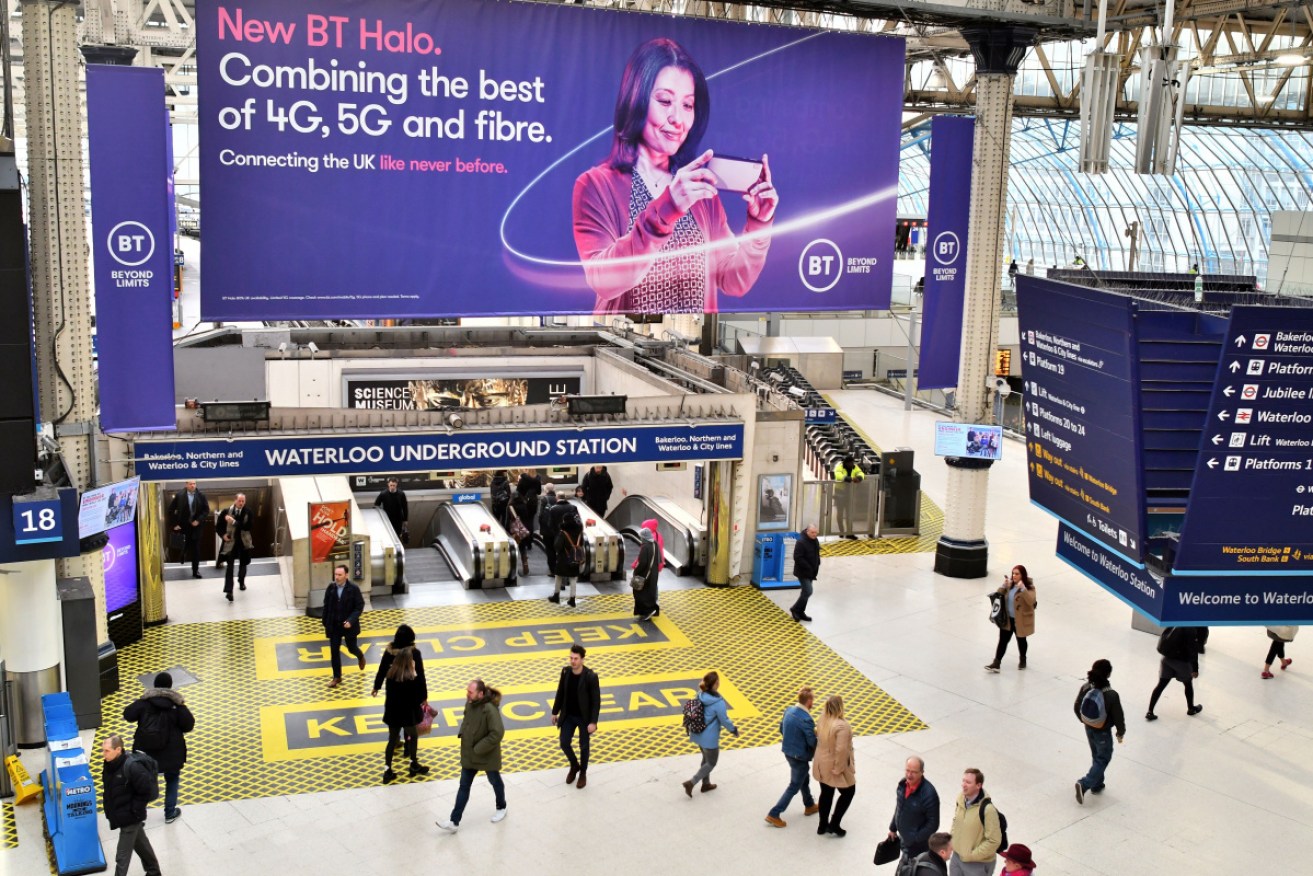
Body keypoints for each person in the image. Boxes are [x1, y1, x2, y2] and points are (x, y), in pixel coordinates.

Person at [572, 37, 778, 315]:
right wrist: (667, 209)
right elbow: (604, 281)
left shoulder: (698, 189)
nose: (677, 119)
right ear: (636, 100)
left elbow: (733, 280)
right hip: (622, 344)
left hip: (693, 342)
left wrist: (759, 224)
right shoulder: (596, 185)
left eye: (688, 105)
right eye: (665, 101)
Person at [122, 672, 194, 825]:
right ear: (170, 686)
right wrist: (180, 705)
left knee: (142, 782)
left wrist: (141, 701)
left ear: (154, 685)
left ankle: (138, 815)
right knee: (172, 780)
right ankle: (169, 813)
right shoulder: (177, 706)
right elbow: (189, 725)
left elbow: (128, 714)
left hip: (145, 753)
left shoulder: (145, 703)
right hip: (172, 754)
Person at [436, 678, 507, 831]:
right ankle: (454, 821)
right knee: (464, 786)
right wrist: (463, 732)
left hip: (486, 755)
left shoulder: (489, 709)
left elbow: (498, 733)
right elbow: (466, 720)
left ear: (480, 694)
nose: (467, 694)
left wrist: (479, 748)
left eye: (470, 692)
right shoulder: (470, 704)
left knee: (494, 780)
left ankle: (502, 807)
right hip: (470, 755)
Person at [371, 624, 429, 782]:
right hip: (409, 702)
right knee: (413, 734)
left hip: (393, 703)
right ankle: (413, 764)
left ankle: (387, 770)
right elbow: (421, 677)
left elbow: (382, 670)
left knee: (392, 738)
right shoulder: (414, 654)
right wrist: (423, 696)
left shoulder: (389, 652)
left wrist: (376, 687)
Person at [101, 734, 162, 876]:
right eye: (103, 750)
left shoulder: (132, 767)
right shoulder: (110, 765)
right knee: (141, 844)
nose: (103, 754)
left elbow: (145, 790)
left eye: (107, 750)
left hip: (130, 817)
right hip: (122, 814)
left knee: (122, 856)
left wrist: (134, 810)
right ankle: (154, 871)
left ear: (118, 750)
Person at [764, 687, 818, 828]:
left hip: (788, 752)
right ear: (809, 701)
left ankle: (809, 804)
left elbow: (781, 729)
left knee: (803, 779)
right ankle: (774, 813)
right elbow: (812, 742)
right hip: (800, 756)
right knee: (794, 785)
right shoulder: (806, 720)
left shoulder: (788, 710)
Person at [1073, 658, 1124, 804]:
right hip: (1103, 731)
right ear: (1108, 674)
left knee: (1096, 755)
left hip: (1089, 728)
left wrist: (1085, 722)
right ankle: (1085, 784)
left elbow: (1076, 706)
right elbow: (1118, 716)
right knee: (1103, 758)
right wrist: (1121, 731)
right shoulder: (1111, 694)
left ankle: (1097, 784)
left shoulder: (1085, 687)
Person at [551, 644, 600, 789]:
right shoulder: (565, 672)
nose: (573, 661)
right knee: (564, 742)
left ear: (582, 659)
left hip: (584, 718)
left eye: (576, 659)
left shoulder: (590, 677)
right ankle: (574, 765)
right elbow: (560, 692)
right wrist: (555, 712)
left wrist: (593, 722)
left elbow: (596, 701)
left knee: (584, 746)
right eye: (571, 658)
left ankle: (583, 773)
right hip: (568, 715)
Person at [682, 670, 738, 797]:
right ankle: (691, 783)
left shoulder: (700, 694)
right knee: (711, 762)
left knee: (705, 759)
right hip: (709, 738)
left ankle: (706, 784)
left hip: (698, 733)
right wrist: (733, 729)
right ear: (716, 683)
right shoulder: (718, 703)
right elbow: (724, 720)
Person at [812, 694, 855, 837]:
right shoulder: (842, 726)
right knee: (849, 792)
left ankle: (822, 825)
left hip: (821, 762)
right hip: (833, 766)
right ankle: (834, 824)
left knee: (826, 792)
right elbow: (841, 750)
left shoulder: (822, 719)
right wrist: (838, 768)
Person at [888, 755, 941, 865]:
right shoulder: (903, 785)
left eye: (913, 772)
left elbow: (933, 824)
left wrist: (915, 838)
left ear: (922, 772)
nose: (909, 775)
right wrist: (893, 828)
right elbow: (899, 807)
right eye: (907, 770)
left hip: (918, 848)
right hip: (905, 841)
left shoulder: (929, 794)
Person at [948, 768, 1001, 876]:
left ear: (978, 785)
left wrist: (971, 855)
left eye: (968, 782)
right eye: (963, 781)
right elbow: (956, 820)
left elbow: (994, 841)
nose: (963, 785)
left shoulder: (988, 810)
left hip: (977, 864)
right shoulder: (960, 798)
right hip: (957, 858)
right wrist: (953, 840)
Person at [985, 565, 1037, 672]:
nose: (1014, 576)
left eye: (1017, 574)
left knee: (1021, 641)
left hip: (1020, 621)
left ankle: (1023, 659)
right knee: (1003, 641)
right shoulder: (1010, 585)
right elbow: (998, 595)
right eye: (1013, 573)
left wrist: (1023, 589)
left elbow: (1031, 601)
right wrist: (1003, 586)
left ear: (1023, 575)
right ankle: (997, 663)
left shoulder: (1029, 587)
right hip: (1008, 620)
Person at [322, 564, 366, 689]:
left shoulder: (353, 589)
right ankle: (337, 677)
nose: (337, 577)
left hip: (348, 626)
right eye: (336, 574)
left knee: (351, 648)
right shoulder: (331, 588)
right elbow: (326, 605)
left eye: (340, 575)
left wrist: (351, 621)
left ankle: (360, 656)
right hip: (335, 626)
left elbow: (359, 606)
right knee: (334, 651)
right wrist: (325, 621)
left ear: (346, 575)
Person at [1146, 626, 1204, 720]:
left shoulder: (1175, 622)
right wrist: (1195, 669)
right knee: (1188, 684)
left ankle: (1150, 711)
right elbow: (1193, 650)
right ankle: (1191, 709)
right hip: (1181, 662)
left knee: (1161, 685)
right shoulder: (1191, 629)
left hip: (1167, 659)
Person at [169, 480, 210, 578]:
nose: (193, 486)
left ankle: (195, 571)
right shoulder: (179, 495)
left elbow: (206, 510)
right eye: (190, 484)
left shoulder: (201, 495)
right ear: (186, 485)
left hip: (196, 526)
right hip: (184, 525)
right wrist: (175, 524)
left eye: (194, 484)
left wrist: (199, 520)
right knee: (185, 545)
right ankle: (183, 554)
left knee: (195, 549)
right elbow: (170, 510)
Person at [215, 493, 252, 601]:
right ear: (235, 500)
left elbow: (248, 526)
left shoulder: (248, 512)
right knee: (229, 567)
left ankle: (241, 581)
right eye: (239, 501)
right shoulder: (226, 512)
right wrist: (223, 535)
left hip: (243, 542)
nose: (241, 503)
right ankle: (229, 591)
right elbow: (218, 527)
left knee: (243, 564)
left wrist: (234, 522)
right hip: (230, 543)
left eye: (243, 501)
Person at [551, 508, 585, 607]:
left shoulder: (563, 532)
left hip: (563, 558)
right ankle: (572, 599)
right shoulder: (579, 532)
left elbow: (557, 546)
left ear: (564, 521)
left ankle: (556, 596)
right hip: (575, 558)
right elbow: (581, 543)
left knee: (558, 576)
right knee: (573, 578)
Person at [789, 523, 820, 622]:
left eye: (816, 532)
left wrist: (817, 562)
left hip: (811, 572)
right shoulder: (801, 542)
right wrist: (808, 567)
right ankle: (795, 609)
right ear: (807, 531)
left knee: (805, 592)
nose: (814, 534)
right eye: (812, 532)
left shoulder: (815, 540)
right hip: (803, 572)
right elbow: (797, 557)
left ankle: (801, 612)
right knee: (808, 591)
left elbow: (816, 553)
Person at [631, 526, 661, 621]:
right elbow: (658, 558)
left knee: (639, 592)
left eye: (641, 537)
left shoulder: (645, 547)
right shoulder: (655, 544)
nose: (640, 539)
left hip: (645, 574)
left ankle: (646, 611)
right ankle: (651, 609)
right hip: (653, 573)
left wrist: (636, 571)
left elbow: (642, 562)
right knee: (650, 591)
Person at [833, 455, 865, 537]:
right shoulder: (840, 467)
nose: (851, 464)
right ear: (846, 463)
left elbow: (861, 473)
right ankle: (841, 531)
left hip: (850, 493)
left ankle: (849, 532)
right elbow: (837, 475)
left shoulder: (855, 467)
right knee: (840, 513)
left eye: (852, 462)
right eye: (850, 463)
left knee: (849, 513)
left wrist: (859, 478)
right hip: (839, 493)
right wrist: (849, 479)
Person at [538, 485, 559, 576]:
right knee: (557, 549)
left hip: (547, 530)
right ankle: (559, 568)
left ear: (545, 490)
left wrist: (541, 527)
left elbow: (540, 515)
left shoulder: (544, 499)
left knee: (550, 550)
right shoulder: (557, 498)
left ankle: (552, 570)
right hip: (557, 530)